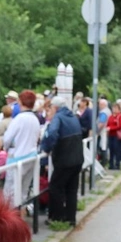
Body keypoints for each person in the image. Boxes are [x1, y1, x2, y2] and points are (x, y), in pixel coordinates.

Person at [42, 96, 84, 226]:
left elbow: (53, 133)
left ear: (55, 107)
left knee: (56, 187)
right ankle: (71, 218)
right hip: (77, 158)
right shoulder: (73, 117)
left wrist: (47, 148)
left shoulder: (58, 118)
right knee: (71, 189)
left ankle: (57, 217)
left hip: (64, 159)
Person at [2, 91, 42, 207]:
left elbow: (7, 139)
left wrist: (6, 147)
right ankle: (21, 217)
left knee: (10, 191)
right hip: (31, 157)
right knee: (24, 190)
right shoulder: (35, 118)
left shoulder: (19, 119)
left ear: (20, 101)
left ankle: (10, 219)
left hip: (17, 158)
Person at [107, 104, 121, 170]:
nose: (114, 110)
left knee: (117, 149)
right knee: (111, 149)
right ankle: (111, 164)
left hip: (117, 135)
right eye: (113, 108)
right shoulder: (110, 116)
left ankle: (117, 164)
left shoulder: (120, 116)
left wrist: (111, 128)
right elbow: (108, 123)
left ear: (119, 110)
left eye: (116, 108)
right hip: (111, 135)